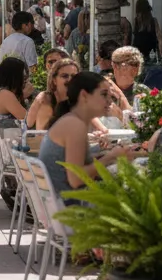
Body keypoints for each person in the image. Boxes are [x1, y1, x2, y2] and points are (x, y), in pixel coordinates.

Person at [39, 72, 142, 202]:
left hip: (59, 200)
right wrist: (111, 157)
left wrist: (106, 156)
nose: (110, 101)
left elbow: (71, 164)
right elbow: (76, 180)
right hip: (73, 205)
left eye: (110, 96)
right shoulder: (75, 125)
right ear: (84, 96)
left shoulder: (71, 120)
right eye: (104, 95)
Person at [29, 55, 79, 131]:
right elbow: (32, 126)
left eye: (73, 76)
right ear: (54, 80)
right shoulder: (46, 98)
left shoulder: (80, 99)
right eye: (65, 76)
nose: (70, 79)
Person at [130, 0, 162, 64]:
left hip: (138, 54)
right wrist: (160, 56)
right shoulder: (153, 21)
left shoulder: (136, 22)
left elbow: (134, 38)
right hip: (151, 53)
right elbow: (160, 39)